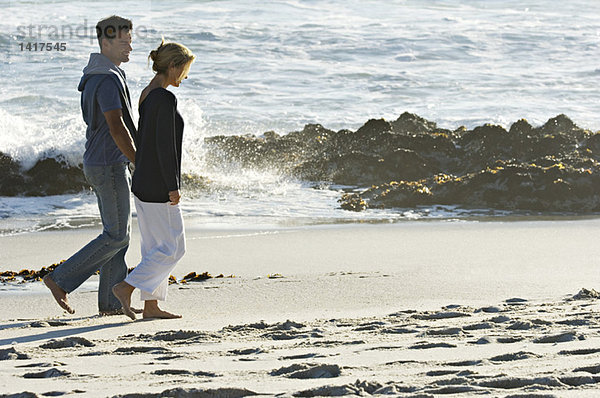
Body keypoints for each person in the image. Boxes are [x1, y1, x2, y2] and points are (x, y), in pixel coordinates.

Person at [43, 15, 138, 315]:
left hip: (103, 163)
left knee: (117, 233)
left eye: (130, 42)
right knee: (116, 235)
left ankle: (110, 303)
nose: (129, 49)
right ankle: (59, 279)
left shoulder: (101, 73)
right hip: (108, 165)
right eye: (124, 42)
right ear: (105, 42)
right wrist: (139, 160)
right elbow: (115, 126)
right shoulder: (106, 79)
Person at [112, 39, 195, 320]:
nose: (185, 75)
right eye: (183, 69)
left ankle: (151, 305)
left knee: (154, 247)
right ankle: (126, 287)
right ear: (172, 66)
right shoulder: (164, 98)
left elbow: (148, 142)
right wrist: (173, 186)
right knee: (173, 248)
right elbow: (164, 146)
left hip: (143, 180)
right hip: (158, 184)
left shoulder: (148, 93)